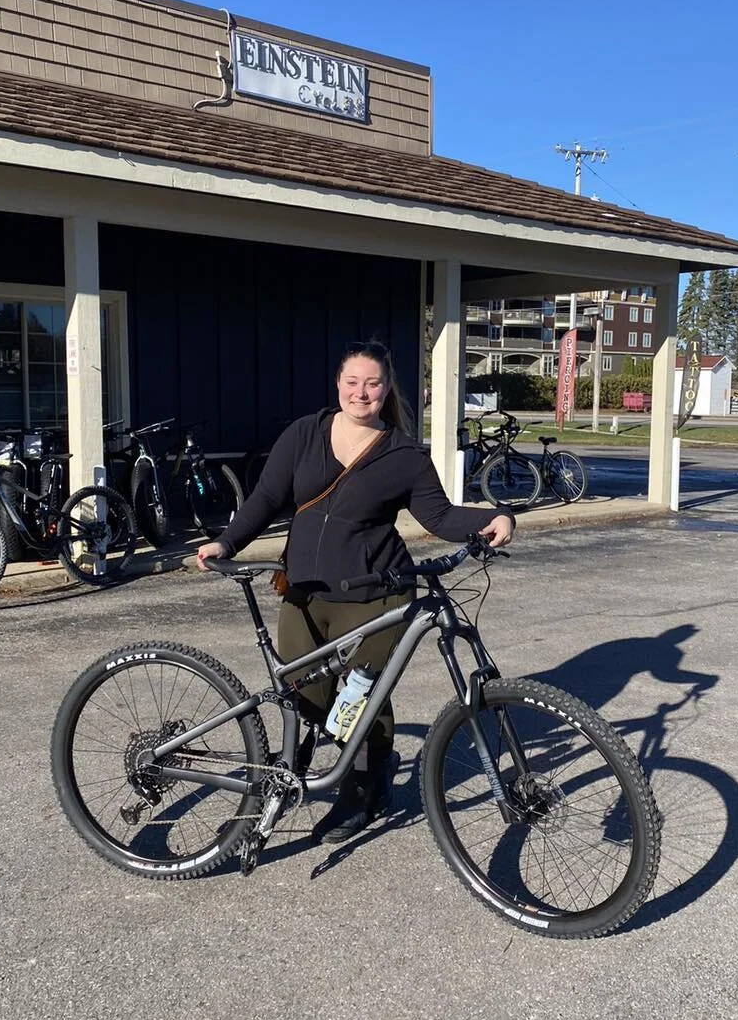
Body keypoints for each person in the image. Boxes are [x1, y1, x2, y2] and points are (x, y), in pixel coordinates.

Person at [196, 340, 515, 842]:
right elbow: (266, 498)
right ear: (338, 384)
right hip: (303, 591)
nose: (361, 392)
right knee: (305, 696)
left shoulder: (405, 454)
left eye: (373, 383)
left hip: (378, 592)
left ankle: (364, 792)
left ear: (386, 389)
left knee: (362, 698)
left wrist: (493, 517)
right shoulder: (304, 434)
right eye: (353, 382)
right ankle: (333, 767)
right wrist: (226, 541)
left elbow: (439, 516)